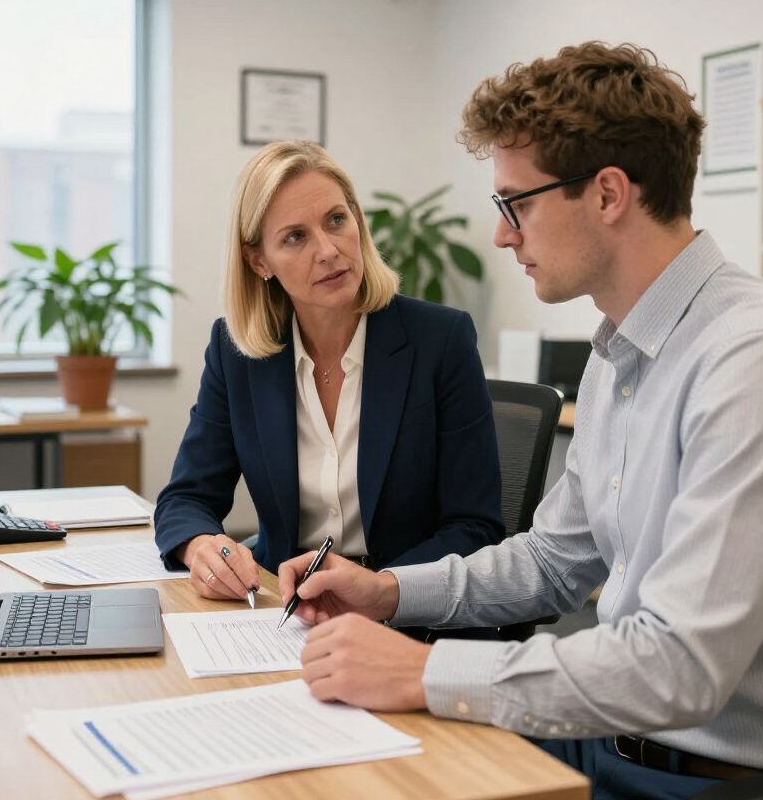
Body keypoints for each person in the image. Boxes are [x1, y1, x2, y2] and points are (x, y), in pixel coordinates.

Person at [278, 43, 763, 800]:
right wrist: (386, 591)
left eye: (515, 203)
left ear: (608, 194)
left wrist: (423, 672)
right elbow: (552, 563)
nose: (499, 234)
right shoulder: (620, 353)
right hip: (619, 751)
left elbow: (681, 669)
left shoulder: (761, 362)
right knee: (354, 792)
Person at [154, 139, 504, 606]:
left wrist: (382, 591)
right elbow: (186, 498)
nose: (328, 250)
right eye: (295, 237)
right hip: (286, 606)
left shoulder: (441, 340)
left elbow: (475, 526)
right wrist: (202, 548)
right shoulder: (236, 352)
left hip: (406, 609)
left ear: (357, 221)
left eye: (337, 220)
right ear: (259, 261)